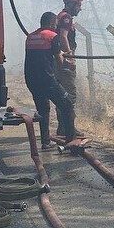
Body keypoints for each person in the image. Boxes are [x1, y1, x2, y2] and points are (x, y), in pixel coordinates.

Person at [24, 12, 76, 148]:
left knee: (43, 110)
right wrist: (68, 63)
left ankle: (45, 142)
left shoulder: (30, 36)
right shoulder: (52, 36)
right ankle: (70, 141)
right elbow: (59, 61)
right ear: (53, 23)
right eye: (56, 24)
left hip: (31, 80)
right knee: (67, 104)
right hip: (47, 80)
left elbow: (39, 56)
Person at [55, 0, 83, 106]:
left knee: (61, 94)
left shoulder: (61, 15)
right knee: (69, 95)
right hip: (65, 62)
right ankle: (68, 124)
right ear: (71, 4)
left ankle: (63, 123)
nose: (80, 9)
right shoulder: (66, 17)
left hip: (59, 60)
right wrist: (70, 57)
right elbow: (63, 36)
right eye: (78, 5)